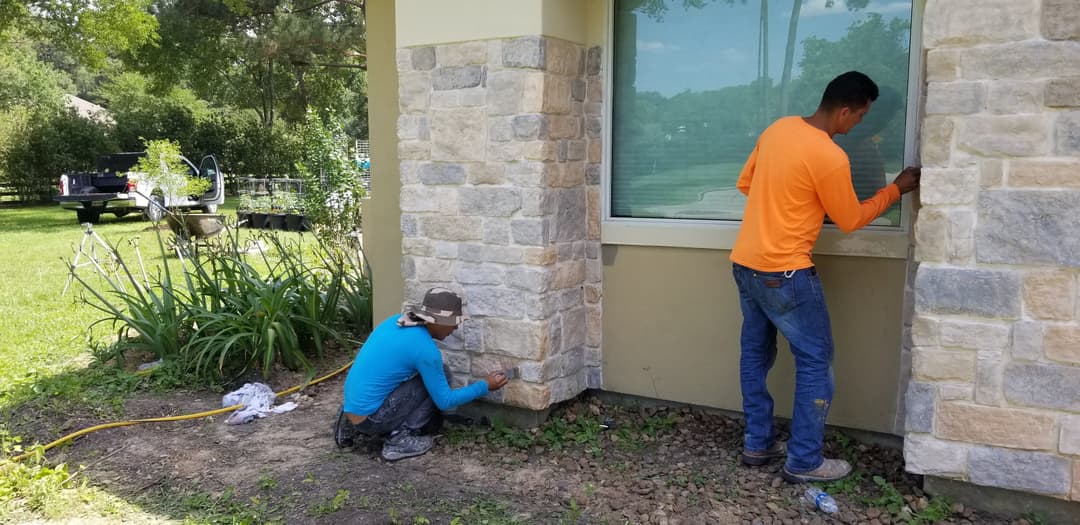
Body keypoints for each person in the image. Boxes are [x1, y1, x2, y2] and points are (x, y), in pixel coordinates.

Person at [730, 71, 920, 483]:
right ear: (845, 110)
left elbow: (747, 184)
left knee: (755, 354)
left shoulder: (778, 129)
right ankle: (804, 460)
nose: (859, 126)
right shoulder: (830, 156)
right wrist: (894, 190)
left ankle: (757, 443)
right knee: (815, 360)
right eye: (861, 117)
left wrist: (791, 201)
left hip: (745, 262)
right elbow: (849, 219)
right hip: (786, 271)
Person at [334, 287, 509, 461]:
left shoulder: (395, 321)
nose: (456, 327)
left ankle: (349, 423)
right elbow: (445, 401)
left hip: (354, 404)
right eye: (453, 321)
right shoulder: (425, 350)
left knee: (433, 375)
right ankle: (399, 438)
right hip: (372, 419)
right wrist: (485, 386)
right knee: (443, 376)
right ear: (437, 321)